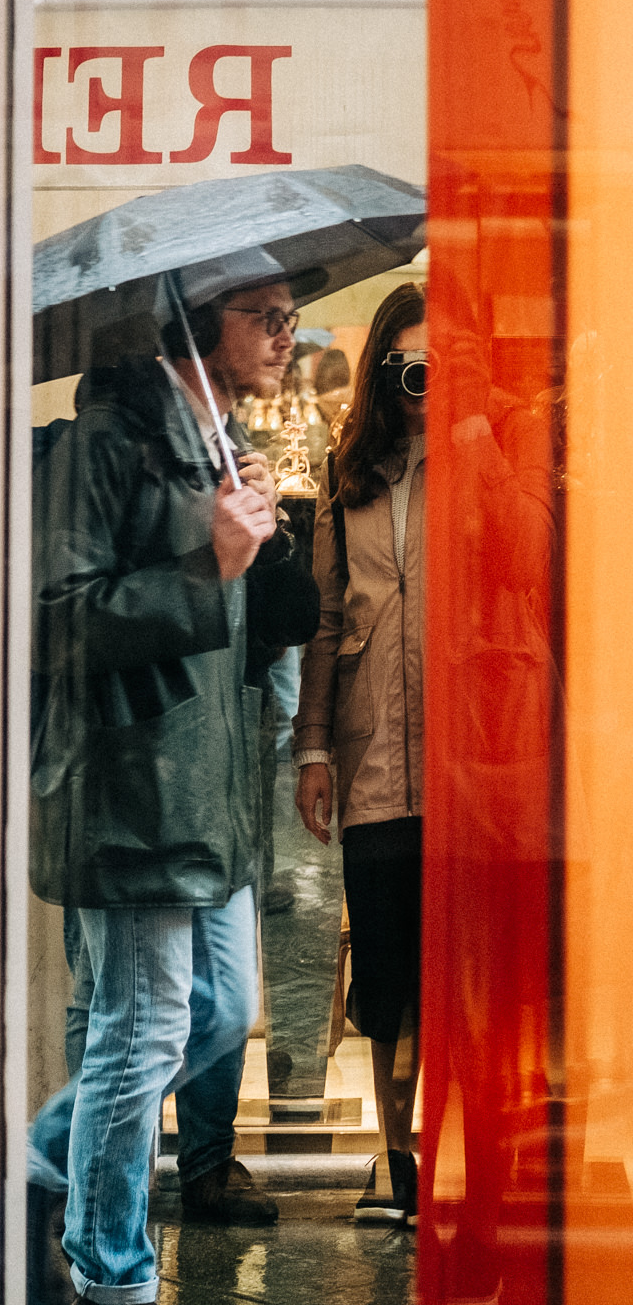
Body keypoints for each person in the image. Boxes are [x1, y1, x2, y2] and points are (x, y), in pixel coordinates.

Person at [32, 276, 311, 1304]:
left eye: (291, 314)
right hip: (132, 788)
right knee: (143, 1028)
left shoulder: (216, 448)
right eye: (264, 314)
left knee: (224, 1011)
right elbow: (57, 620)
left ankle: (40, 1155)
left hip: (211, 792)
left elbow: (271, 624)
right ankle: (113, 1272)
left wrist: (259, 535)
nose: (287, 334)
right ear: (195, 326)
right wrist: (211, 563)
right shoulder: (107, 442)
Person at [293, 281, 428, 1226]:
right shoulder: (352, 478)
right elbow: (325, 619)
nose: (427, 381)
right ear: (383, 369)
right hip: (374, 754)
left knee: (459, 976)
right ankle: (395, 1155)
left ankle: (451, 1148)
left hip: (472, 761)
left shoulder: (493, 460)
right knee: (384, 970)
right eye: (411, 364)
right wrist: (313, 751)